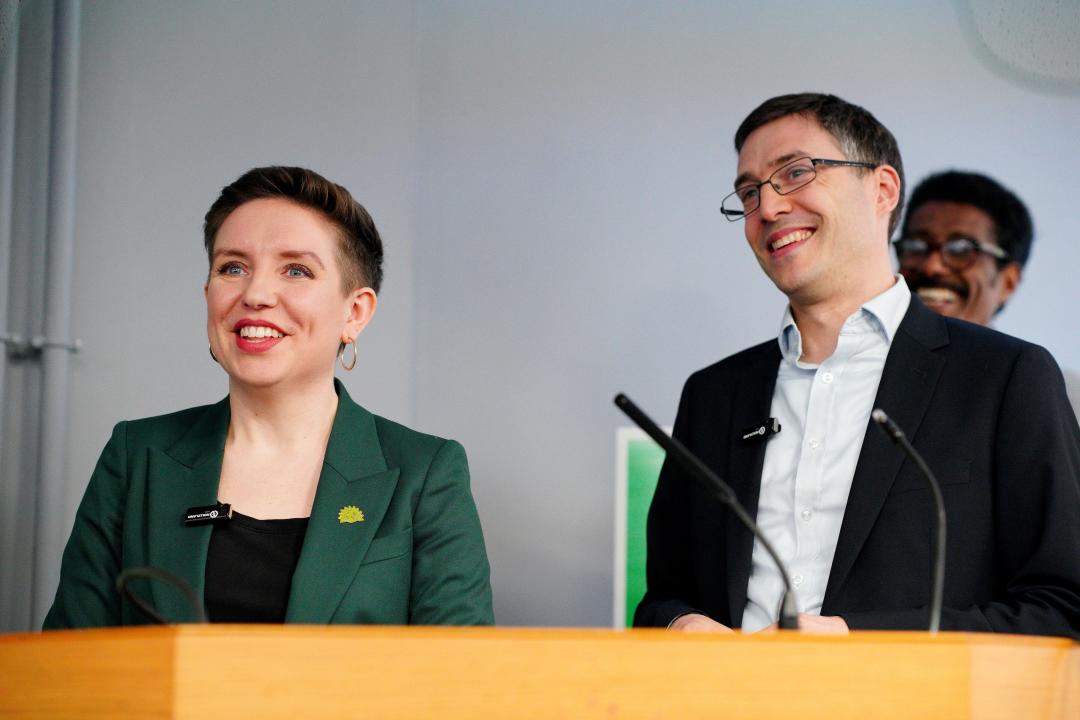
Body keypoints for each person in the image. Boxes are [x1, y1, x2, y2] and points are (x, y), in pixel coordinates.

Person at [634, 94, 1080, 637]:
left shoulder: (1005, 378)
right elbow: (661, 597)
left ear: (883, 189)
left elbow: (1061, 606)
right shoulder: (713, 394)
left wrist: (854, 640)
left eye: (795, 173)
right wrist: (680, 623)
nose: (768, 208)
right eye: (749, 192)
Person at [44, 166, 494, 627]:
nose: (255, 293)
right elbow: (67, 668)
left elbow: (459, 682)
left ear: (355, 312)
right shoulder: (136, 456)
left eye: (296, 270)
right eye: (232, 268)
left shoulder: (424, 472)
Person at [895, 170, 1080, 419]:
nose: (932, 266)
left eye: (961, 249)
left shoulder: (1060, 398)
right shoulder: (855, 369)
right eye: (916, 246)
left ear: (1008, 282)